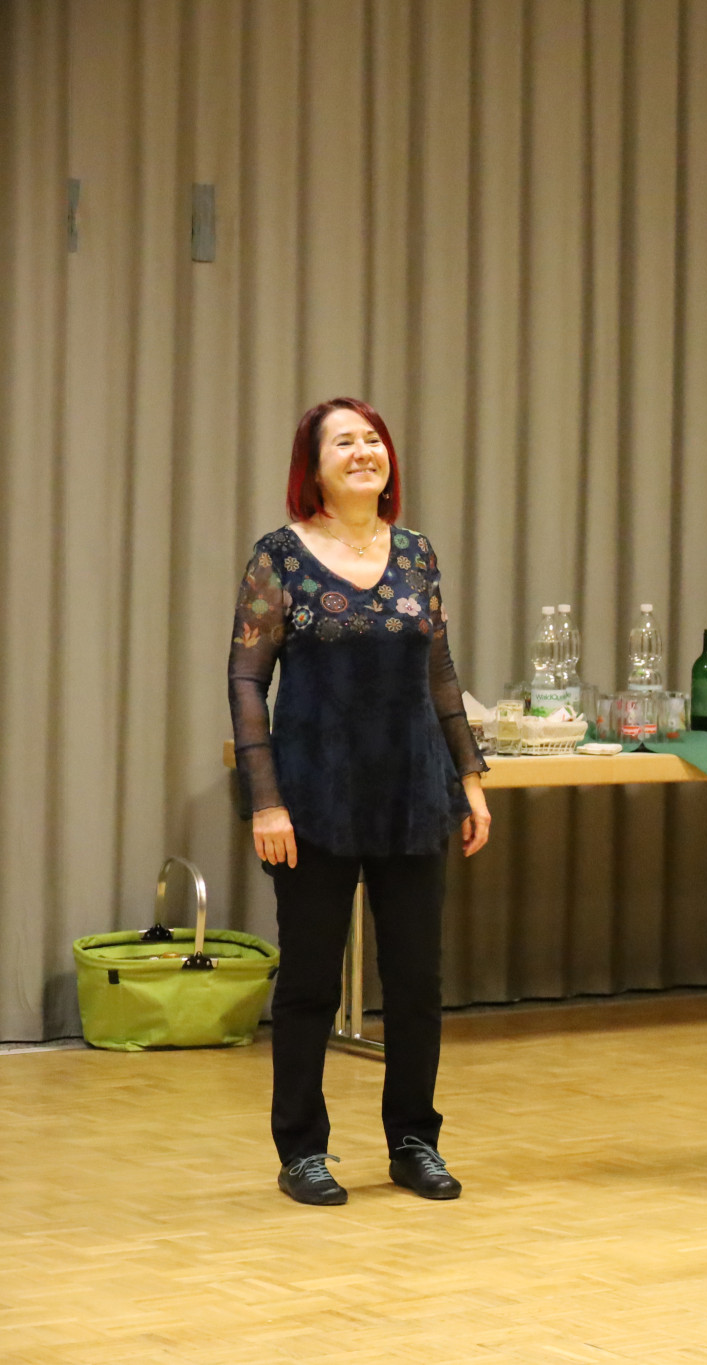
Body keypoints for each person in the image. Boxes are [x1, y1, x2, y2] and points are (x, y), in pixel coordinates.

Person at [229, 397, 492, 1207]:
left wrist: (469, 778)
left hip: (412, 793)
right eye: (342, 441)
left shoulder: (416, 553)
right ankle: (302, 1150)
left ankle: (414, 1141)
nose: (362, 451)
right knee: (310, 981)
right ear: (313, 467)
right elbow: (246, 679)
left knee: (415, 981)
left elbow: (440, 672)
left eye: (372, 438)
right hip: (313, 797)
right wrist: (265, 800)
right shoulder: (279, 557)